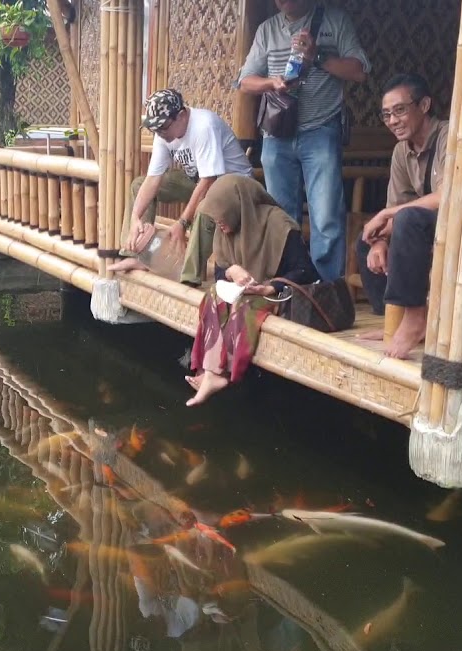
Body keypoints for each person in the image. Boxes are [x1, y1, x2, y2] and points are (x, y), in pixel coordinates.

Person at [236, 0, 370, 283]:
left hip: (321, 130)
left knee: (326, 217)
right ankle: (289, 283)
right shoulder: (267, 29)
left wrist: (317, 57)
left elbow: (359, 70)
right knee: (281, 216)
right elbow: (245, 81)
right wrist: (272, 82)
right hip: (276, 135)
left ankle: (324, 289)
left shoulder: (334, 20)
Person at [186, 175, 320, 406]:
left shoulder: (278, 224)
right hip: (245, 290)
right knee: (212, 297)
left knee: (244, 307)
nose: (218, 221)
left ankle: (222, 374)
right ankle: (210, 371)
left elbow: (305, 271)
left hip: (275, 292)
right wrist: (232, 271)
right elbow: (220, 273)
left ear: (237, 206)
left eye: (221, 213)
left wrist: (269, 286)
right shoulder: (226, 228)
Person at [111, 88, 254, 286]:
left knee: (206, 207)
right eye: (155, 129)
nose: (160, 134)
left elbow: (209, 181)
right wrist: (136, 217)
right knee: (138, 184)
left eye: (163, 128)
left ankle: (189, 276)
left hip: (235, 188)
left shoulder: (204, 126)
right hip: (200, 181)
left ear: (181, 115)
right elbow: (153, 179)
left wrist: (182, 223)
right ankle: (135, 254)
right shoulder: (163, 134)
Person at [355, 73, 448, 359]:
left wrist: (387, 213)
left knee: (408, 219)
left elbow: (452, 195)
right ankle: (391, 320)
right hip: (423, 226)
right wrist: (380, 242)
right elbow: (399, 203)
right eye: (386, 115)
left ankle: (415, 317)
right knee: (366, 238)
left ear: (424, 105)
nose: (393, 120)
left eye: (400, 110)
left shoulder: (450, 136)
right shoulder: (401, 151)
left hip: (459, 224)